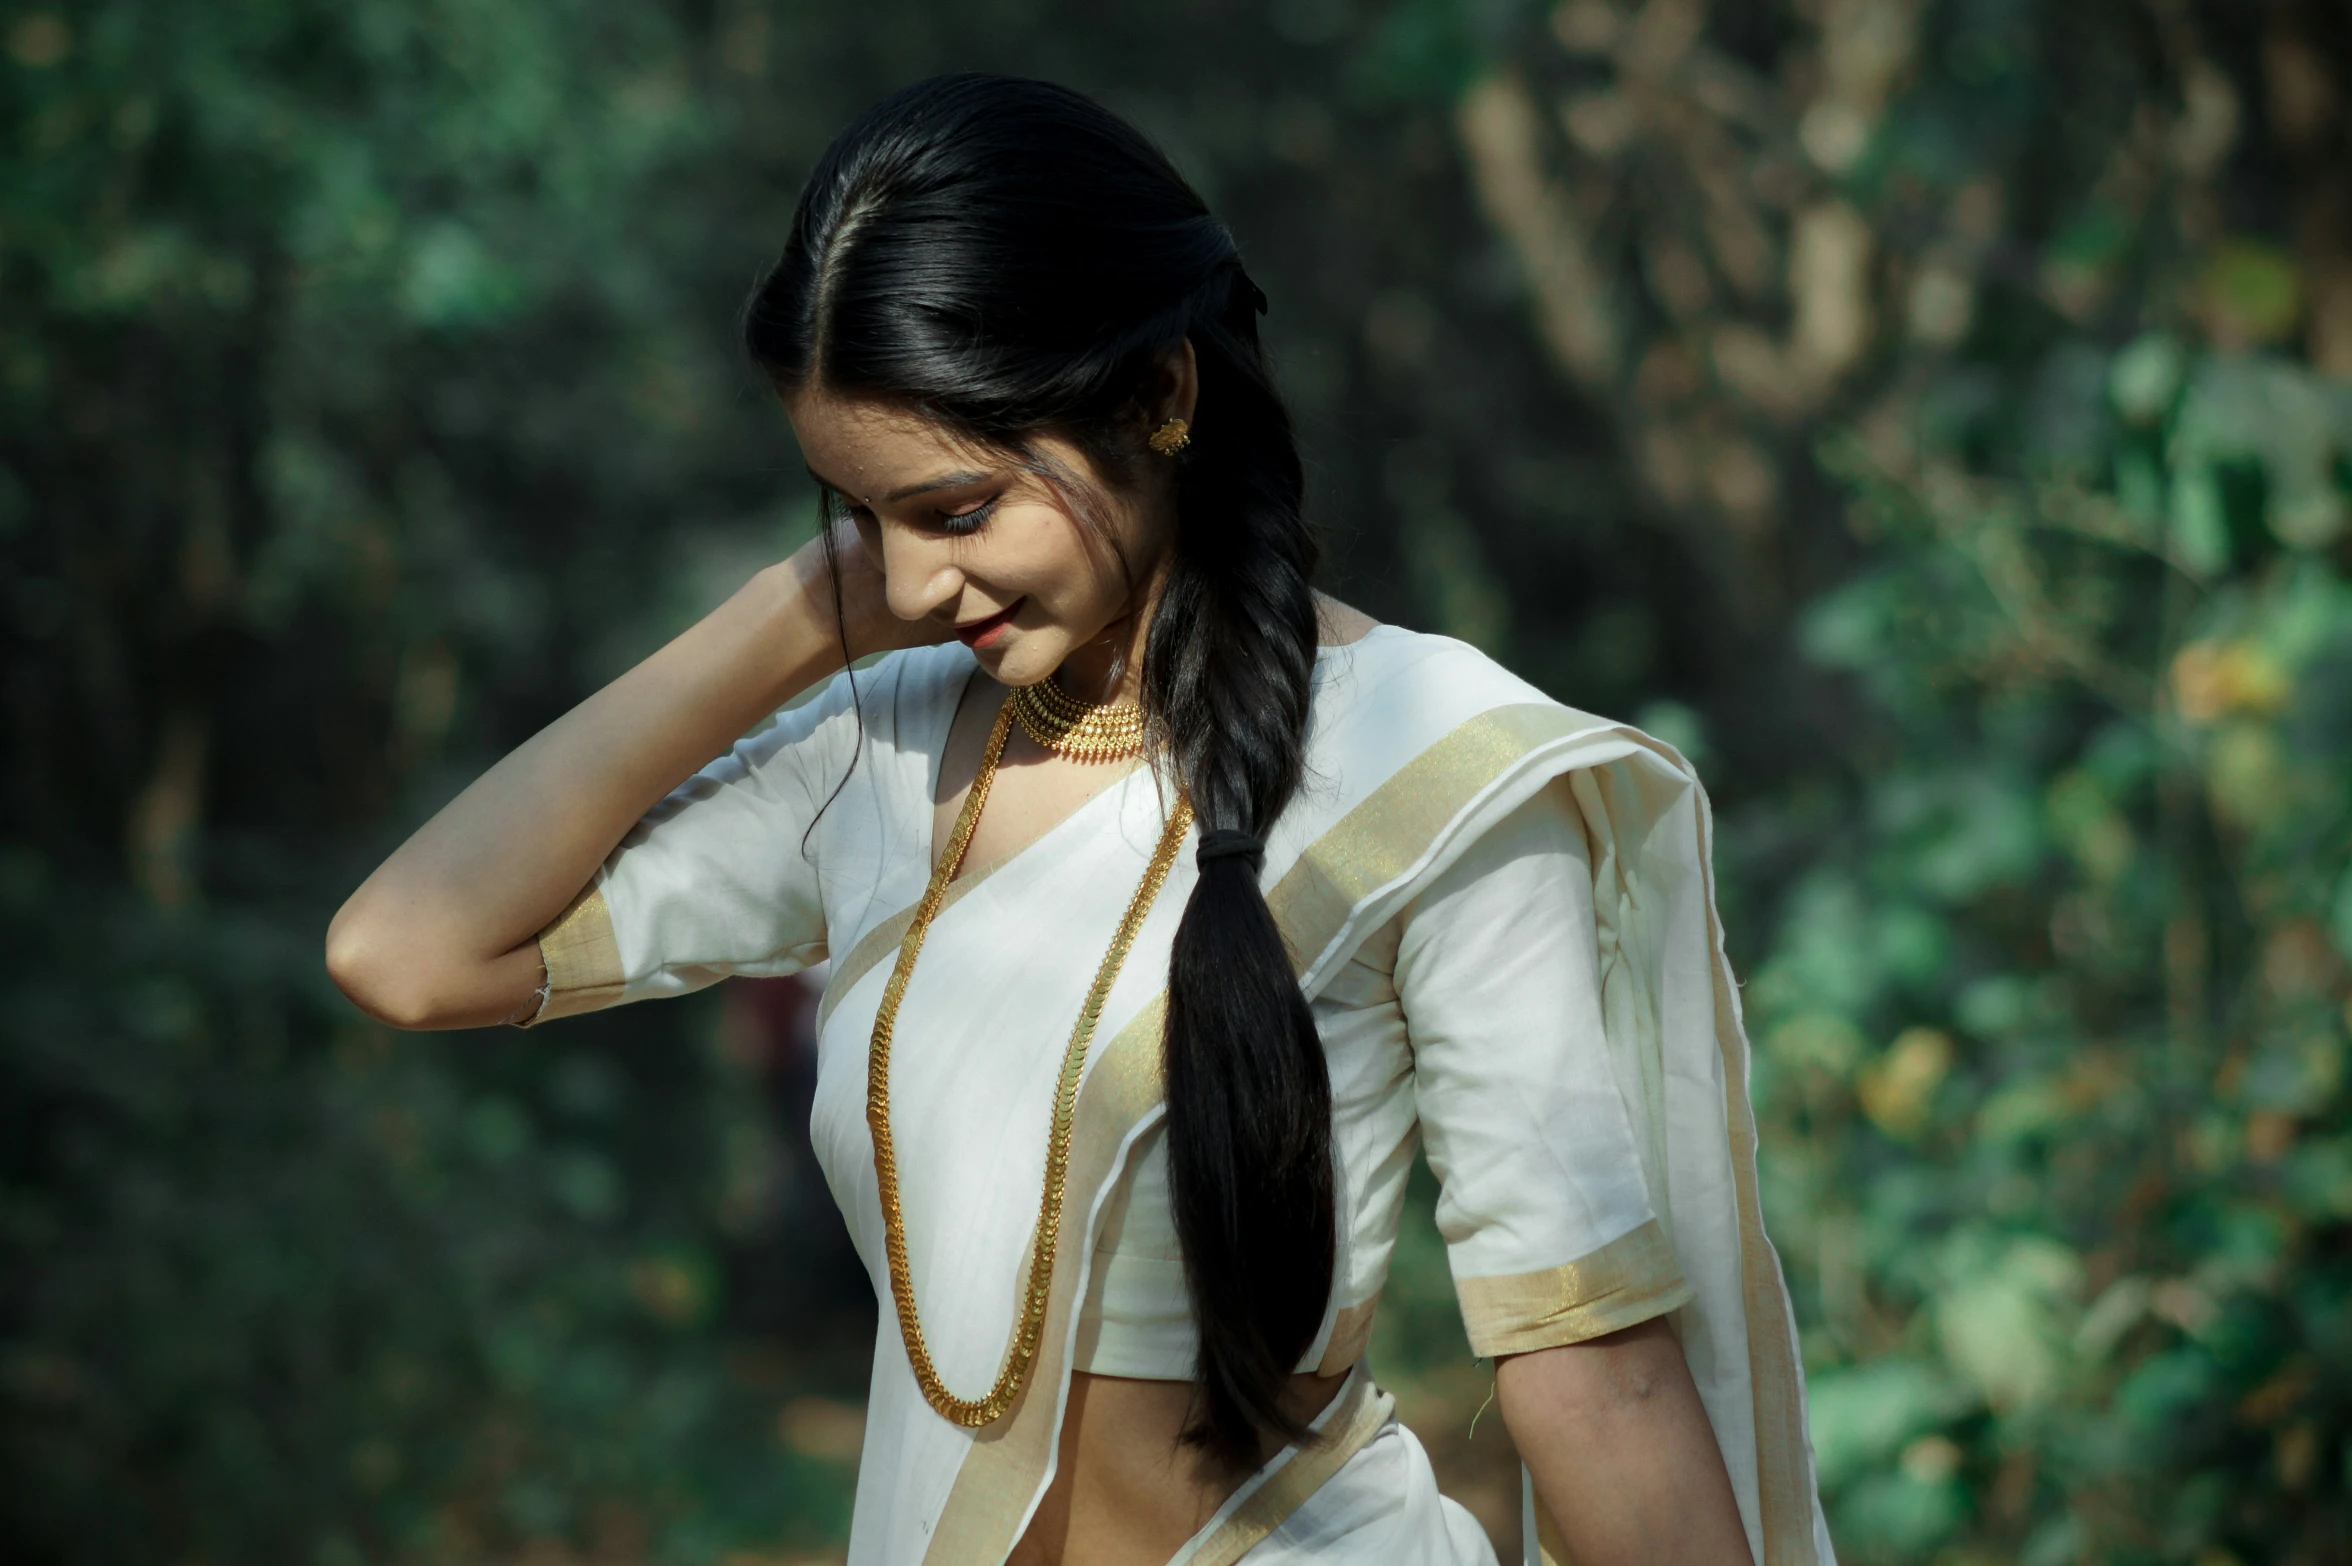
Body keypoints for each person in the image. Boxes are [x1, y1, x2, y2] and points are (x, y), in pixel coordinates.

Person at [327, 74, 1832, 1566]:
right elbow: (410, 950)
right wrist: (787, 616)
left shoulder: (1427, 772)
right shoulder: (886, 751)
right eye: (862, 514)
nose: (915, 586)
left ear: (1161, 396)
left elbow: (1595, 1372)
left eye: (960, 509)